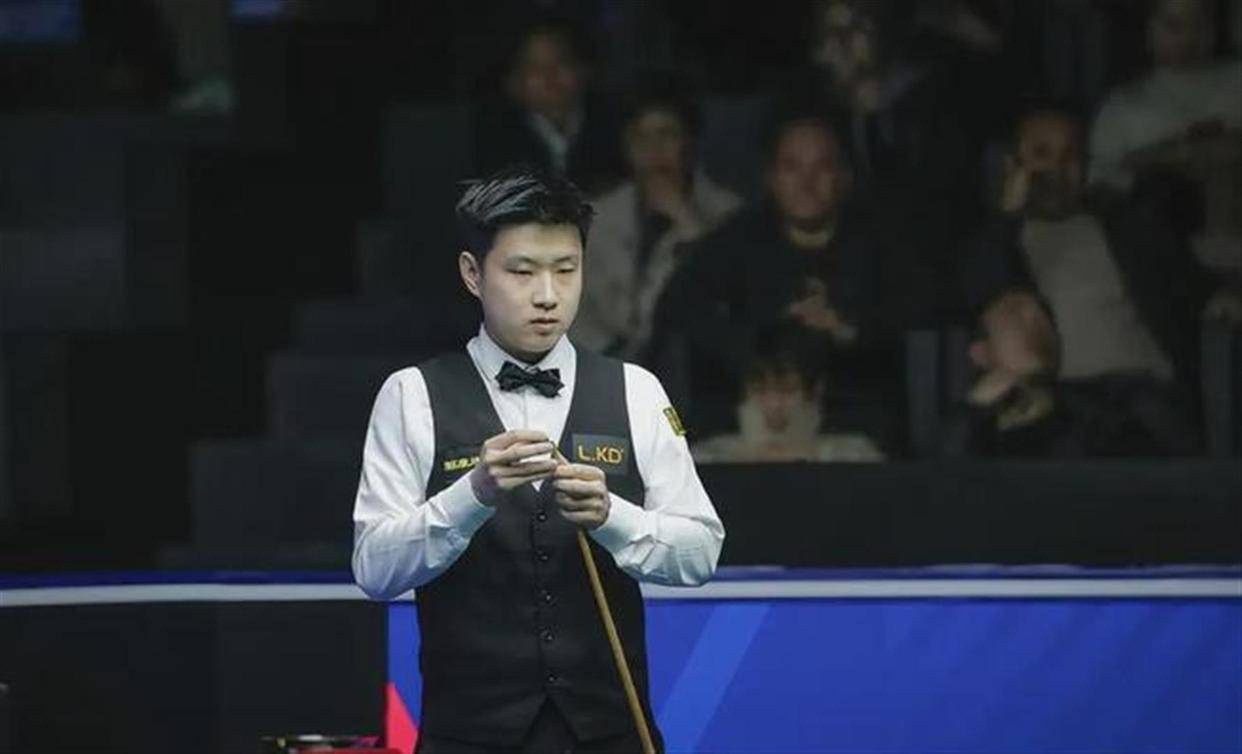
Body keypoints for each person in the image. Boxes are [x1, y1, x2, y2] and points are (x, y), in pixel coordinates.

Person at [351, 167, 723, 753]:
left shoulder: (636, 389)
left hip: (609, 734)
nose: (548, 295)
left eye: (566, 270)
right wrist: (471, 495)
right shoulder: (411, 395)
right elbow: (375, 570)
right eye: (522, 272)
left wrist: (613, 517)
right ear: (472, 274)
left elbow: (700, 553)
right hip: (469, 738)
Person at [653, 109, 914, 442]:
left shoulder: (882, 242)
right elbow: (677, 306)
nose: (807, 183)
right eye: (792, 168)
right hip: (750, 416)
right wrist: (760, 345)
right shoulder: (739, 238)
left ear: (845, 176)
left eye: (822, 167)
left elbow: (920, 317)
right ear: (772, 178)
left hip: (851, 418)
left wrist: (845, 329)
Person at [961, 104, 1240, 389]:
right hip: (1058, 401)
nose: (1057, 167)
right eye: (1042, 154)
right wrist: (1007, 214)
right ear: (1014, 164)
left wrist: (1219, 300)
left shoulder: (1125, 224)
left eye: (1071, 155)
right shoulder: (1000, 244)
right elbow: (981, 288)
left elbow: (1192, 287)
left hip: (1144, 392)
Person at [571, 76, 742, 361]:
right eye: (641, 137)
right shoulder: (596, 218)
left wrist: (688, 224)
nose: (654, 149)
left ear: (688, 142)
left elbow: (727, 300)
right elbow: (615, 319)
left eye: (667, 134)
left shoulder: (728, 214)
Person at [942, 290, 1202, 456]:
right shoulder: (973, 422)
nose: (974, 351)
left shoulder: (1114, 399)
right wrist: (975, 408)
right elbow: (947, 480)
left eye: (988, 337)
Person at [1089, 0, 1242, 273]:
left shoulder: (1236, 81)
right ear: (1148, 31)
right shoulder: (1122, 106)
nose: (1190, 37)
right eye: (1174, 25)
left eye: (1201, 24)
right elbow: (1100, 184)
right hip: (1165, 252)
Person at [474, 19, 624, 195]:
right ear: (512, 82)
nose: (550, 75)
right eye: (533, 66)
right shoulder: (492, 138)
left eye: (561, 61)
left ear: (583, 69)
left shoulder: (617, 126)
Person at [691, 327, 884, 463]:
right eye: (759, 391)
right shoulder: (709, 460)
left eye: (787, 391)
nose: (773, 405)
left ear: (815, 392)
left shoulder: (854, 458)